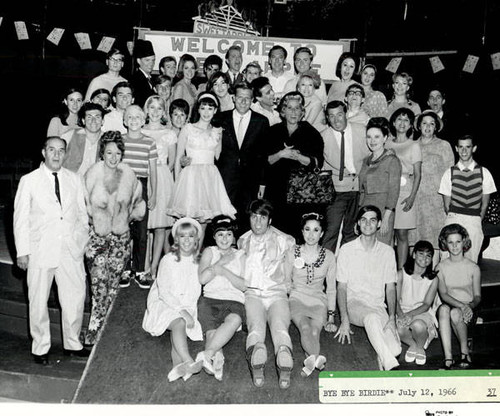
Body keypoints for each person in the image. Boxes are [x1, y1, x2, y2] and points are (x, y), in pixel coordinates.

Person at [14, 137, 90, 365]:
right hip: (40, 250)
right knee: (38, 301)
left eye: (61, 151)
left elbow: (82, 214)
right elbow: (20, 219)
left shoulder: (75, 179)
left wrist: (80, 242)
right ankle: (40, 347)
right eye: (52, 150)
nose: (56, 155)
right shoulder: (29, 181)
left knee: (75, 298)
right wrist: (23, 251)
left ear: (66, 154)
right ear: (43, 152)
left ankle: (73, 344)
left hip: (70, 250)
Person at [83, 132, 146, 345]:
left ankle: (106, 335)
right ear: (102, 152)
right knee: (99, 286)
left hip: (120, 240)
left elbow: (139, 206)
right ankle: (93, 332)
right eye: (109, 152)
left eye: (117, 153)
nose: (113, 157)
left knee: (112, 288)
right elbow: (83, 206)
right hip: (97, 240)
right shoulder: (92, 174)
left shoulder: (129, 175)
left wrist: (126, 219)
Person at [335, 205, 401, 371]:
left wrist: (392, 318)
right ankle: (391, 366)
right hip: (355, 304)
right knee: (371, 318)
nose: (367, 224)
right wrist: (344, 319)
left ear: (379, 224)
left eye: (372, 220)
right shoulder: (346, 250)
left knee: (396, 349)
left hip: (378, 306)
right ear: (358, 223)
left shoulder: (387, 252)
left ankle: (383, 355)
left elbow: (390, 288)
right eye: (363, 220)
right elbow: (341, 288)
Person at [238, 199, 296, 389]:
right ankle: (257, 359)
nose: (257, 222)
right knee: (256, 327)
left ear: (270, 220)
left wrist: (288, 285)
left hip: (276, 292)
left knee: (280, 327)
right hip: (252, 294)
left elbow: (289, 270)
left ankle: (284, 359)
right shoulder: (243, 241)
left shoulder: (285, 240)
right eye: (254, 217)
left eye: (262, 217)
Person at [142, 217, 205, 382]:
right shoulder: (168, 259)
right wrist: (183, 311)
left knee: (180, 325)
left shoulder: (199, 262)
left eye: (191, 236)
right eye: (182, 236)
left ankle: (177, 367)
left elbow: (196, 288)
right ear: (176, 239)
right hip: (164, 301)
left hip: (185, 304)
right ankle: (188, 361)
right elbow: (164, 291)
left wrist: (188, 310)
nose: (186, 241)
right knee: (179, 322)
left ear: (196, 239)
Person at [168, 92, 236, 224]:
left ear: (215, 110)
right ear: (198, 109)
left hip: (210, 177)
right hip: (190, 176)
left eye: (210, 108)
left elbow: (217, 155)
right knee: (188, 220)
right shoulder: (188, 128)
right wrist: (177, 184)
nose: (206, 112)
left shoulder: (218, 131)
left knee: (205, 220)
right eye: (203, 108)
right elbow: (178, 158)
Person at [265, 91, 324, 238]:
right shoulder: (272, 132)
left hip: (302, 192)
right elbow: (264, 161)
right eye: (289, 108)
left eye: (297, 108)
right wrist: (281, 154)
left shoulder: (312, 133)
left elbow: (318, 163)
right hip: (276, 190)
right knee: (276, 233)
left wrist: (299, 157)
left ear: (302, 112)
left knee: (298, 232)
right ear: (283, 111)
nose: (293, 112)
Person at [284, 213, 337, 377]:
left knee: (315, 331)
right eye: (307, 229)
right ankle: (315, 358)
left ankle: (311, 362)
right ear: (302, 231)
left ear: (321, 233)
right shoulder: (292, 252)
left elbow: (331, 288)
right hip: (297, 298)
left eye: (316, 230)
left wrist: (331, 316)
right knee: (305, 327)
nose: (311, 234)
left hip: (318, 301)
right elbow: (286, 282)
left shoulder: (329, 256)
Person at [196, 215, 247, 380]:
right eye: (220, 234)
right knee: (212, 333)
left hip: (234, 300)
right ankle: (217, 361)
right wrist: (221, 262)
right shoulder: (210, 252)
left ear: (234, 236)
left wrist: (224, 271)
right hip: (210, 299)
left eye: (228, 234)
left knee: (234, 320)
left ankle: (207, 354)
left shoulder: (241, 255)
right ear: (213, 236)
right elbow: (203, 279)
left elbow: (244, 285)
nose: (225, 239)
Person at [216, 82, 270, 230]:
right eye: (240, 97)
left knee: (246, 221)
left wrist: (262, 184)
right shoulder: (221, 118)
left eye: (247, 98)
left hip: (250, 181)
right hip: (225, 179)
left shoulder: (261, 122)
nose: (243, 101)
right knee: (222, 220)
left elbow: (264, 157)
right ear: (233, 98)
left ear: (252, 99)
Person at [321, 100, 370, 252]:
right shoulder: (323, 136)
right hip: (336, 190)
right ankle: (324, 270)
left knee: (352, 231)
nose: (336, 120)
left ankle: (346, 266)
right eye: (331, 116)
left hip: (359, 188)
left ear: (346, 114)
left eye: (340, 115)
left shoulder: (362, 130)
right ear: (327, 118)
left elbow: (373, 154)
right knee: (331, 230)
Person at [439, 135, 497, 263]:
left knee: (470, 260)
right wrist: (454, 218)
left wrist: (476, 219)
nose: (464, 151)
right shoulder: (449, 173)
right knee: (447, 259)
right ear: (456, 148)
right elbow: (446, 205)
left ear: (474, 148)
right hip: (454, 218)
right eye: (461, 147)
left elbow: (485, 203)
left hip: (473, 220)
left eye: (468, 147)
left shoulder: (484, 172)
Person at [120, 105, 158, 289]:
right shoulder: (120, 140)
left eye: (138, 117)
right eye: (130, 117)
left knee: (142, 232)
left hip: (141, 186)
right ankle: (125, 269)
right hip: (123, 186)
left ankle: (141, 270)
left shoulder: (149, 142)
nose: (134, 120)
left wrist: (153, 192)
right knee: (124, 230)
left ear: (144, 121)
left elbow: (152, 170)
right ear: (125, 121)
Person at [411, 110, 454, 265]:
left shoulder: (444, 145)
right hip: (416, 199)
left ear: (436, 127)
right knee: (415, 237)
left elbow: (450, 175)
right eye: (424, 123)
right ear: (418, 126)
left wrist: (447, 201)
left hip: (436, 200)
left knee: (436, 240)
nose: (428, 127)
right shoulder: (412, 145)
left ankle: (434, 278)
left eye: (432, 124)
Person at [436, 223, 481, 369]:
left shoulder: (473, 267)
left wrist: (469, 306)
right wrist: (461, 305)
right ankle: (448, 357)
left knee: (456, 313)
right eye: (450, 242)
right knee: (445, 309)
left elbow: (477, 296)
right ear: (445, 244)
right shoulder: (440, 267)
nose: (454, 246)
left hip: (469, 308)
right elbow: (443, 294)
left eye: (458, 242)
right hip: (450, 306)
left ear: (464, 242)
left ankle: (464, 352)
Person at [142, 96, 177, 277]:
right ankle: (144, 264)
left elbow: (171, 162)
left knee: (160, 225)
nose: (155, 112)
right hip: (142, 176)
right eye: (152, 107)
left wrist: (161, 176)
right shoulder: (139, 130)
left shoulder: (169, 133)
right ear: (146, 110)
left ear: (164, 112)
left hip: (162, 178)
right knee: (144, 225)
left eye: (159, 108)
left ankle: (154, 266)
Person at [386, 108, 422, 269]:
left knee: (401, 234)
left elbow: (418, 174)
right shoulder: (386, 143)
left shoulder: (414, 145)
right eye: (399, 119)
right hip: (387, 192)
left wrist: (412, 197)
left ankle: (401, 271)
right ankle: (387, 271)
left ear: (410, 125)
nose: (402, 123)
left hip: (405, 192)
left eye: (406, 120)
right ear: (393, 122)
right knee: (386, 234)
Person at [358, 117, 402, 246]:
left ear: (384, 138)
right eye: (369, 137)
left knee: (382, 247)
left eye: (377, 137)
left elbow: (394, 191)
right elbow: (361, 191)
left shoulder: (392, 160)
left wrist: (386, 219)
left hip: (383, 210)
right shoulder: (366, 160)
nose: (372, 141)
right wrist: (359, 217)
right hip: (366, 210)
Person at [396, 240, 439, 366]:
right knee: (399, 328)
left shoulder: (432, 279)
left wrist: (410, 314)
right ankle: (413, 345)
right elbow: (396, 299)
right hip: (402, 310)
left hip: (421, 311)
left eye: (428, 256)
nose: (424, 258)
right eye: (421, 254)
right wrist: (401, 315)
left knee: (418, 325)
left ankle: (420, 346)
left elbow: (426, 304)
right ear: (414, 255)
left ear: (431, 259)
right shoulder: (401, 274)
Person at [62, 102, 105, 176]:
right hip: (70, 182)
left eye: (97, 117)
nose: (93, 121)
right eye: (89, 117)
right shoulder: (70, 135)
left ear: (102, 121)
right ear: (83, 121)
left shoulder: (107, 140)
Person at [130, 39, 156, 107]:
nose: (151, 64)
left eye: (153, 60)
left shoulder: (152, 79)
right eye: (147, 60)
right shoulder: (135, 80)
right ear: (138, 61)